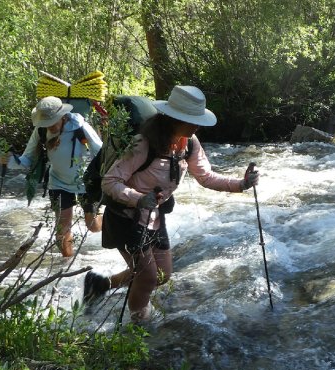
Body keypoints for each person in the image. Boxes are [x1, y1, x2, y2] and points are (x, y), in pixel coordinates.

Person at [83, 85, 259, 325]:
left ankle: (100, 284)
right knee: (147, 279)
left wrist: (242, 184)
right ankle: (138, 330)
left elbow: (206, 177)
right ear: (173, 117)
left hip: (154, 218)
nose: (196, 125)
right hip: (126, 217)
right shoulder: (143, 143)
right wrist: (138, 198)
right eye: (191, 120)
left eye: (198, 119)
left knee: (162, 276)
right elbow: (110, 181)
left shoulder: (189, 143)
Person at [0, 96, 104, 257]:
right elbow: (27, 160)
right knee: (62, 228)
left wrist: (107, 178)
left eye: (53, 121)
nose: (50, 126)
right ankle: (66, 265)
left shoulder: (80, 126)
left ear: (63, 116)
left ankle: (106, 218)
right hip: (58, 182)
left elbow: (101, 152)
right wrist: (10, 161)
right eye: (46, 123)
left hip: (85, 182)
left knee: (93, 226)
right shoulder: (40, 130)